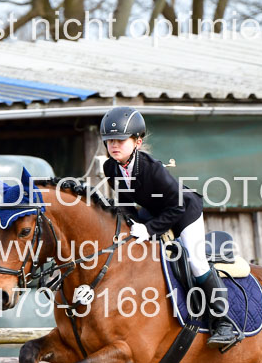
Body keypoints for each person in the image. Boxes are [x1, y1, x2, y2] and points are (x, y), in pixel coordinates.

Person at [100, 106, 239, 348]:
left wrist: (149, 229)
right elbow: (125, 203)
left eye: (121, 140)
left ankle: (224, 321)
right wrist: (134, 224)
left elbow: (176, 208)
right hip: (154, 211)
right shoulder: (110, 168)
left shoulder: (153, 169)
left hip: (184, 210)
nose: (114, 145)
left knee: (196, 261)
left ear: (137, 142)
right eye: (110, 140)